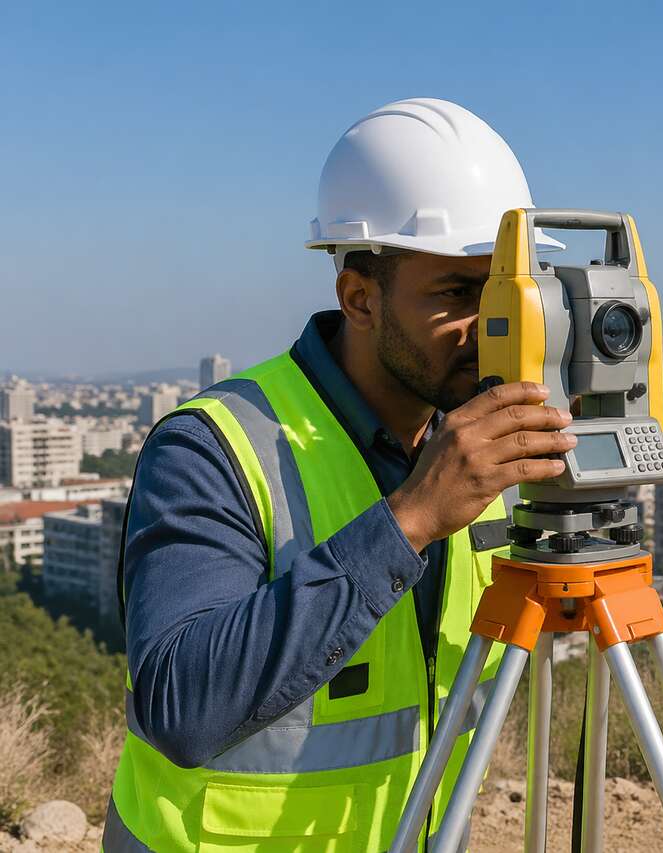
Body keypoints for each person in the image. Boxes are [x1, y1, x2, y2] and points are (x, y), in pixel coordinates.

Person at [105, 98, 573, 852]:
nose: (491, 328)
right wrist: (408, 521)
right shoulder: (214, 446)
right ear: (359, 297)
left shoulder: (483, 438)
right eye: (458, 293)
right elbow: (179, 703)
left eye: (503, 293)